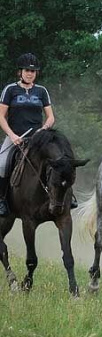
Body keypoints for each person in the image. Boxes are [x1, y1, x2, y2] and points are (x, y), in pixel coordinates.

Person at [0, 53, 58, 216]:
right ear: (20, 71)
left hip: (38, 138)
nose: (30, 73)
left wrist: (44, 129)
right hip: (16, 137)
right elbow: (1, 116)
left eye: (33, 71)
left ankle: (66, 198)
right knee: (2, 164)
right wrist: (12, 135)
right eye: (27, 70)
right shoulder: (10, 89)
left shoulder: (41, 91)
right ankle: (2, 200)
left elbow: (51, 117)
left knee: (58, 159)